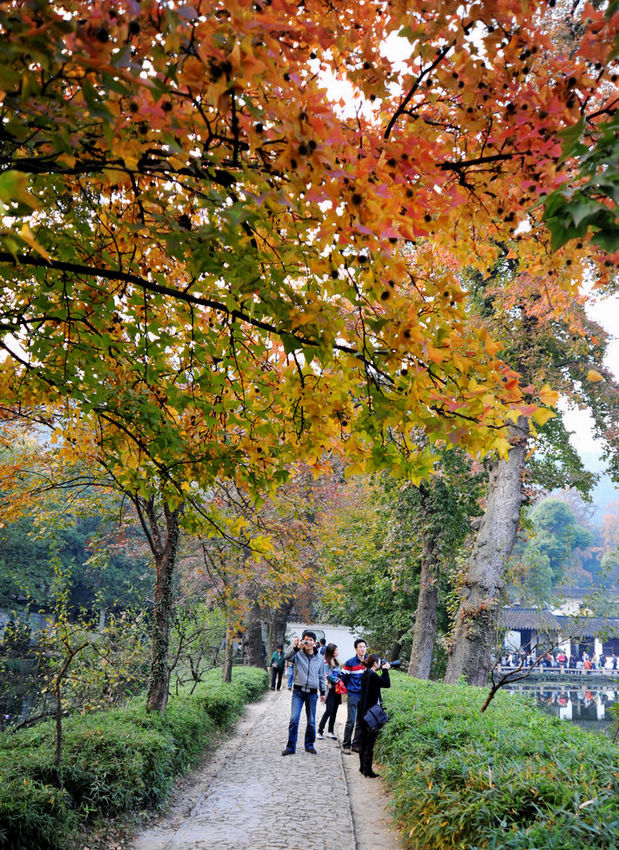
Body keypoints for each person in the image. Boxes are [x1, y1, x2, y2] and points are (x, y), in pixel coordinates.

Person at [281, 630, 326, 755]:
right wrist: (296, 647)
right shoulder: (298, 654)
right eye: (306, 639)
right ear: (303, 641)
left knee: (311, 721)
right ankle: (290, 747)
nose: (309, 642)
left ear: (315, 642)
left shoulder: (319, 658)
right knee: (294, 719)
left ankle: (309, 745)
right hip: (298, 691)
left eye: (311, 640)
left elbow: (321, 676)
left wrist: (323, 692)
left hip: (312, 693)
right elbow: (286, 656)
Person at [358, 654, 390, 778]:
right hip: (371, 713)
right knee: (370, 743)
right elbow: (386, 683)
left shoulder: (366, 673)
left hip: (363, 712)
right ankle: (368, 770)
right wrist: (386, 670)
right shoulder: (373, 675)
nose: (381, 664)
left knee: (363, 741)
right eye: (380, 662)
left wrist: (383, 671)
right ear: (375, 664)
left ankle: (362, 767)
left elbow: (380, 682)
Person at [340, 638, 367, 754]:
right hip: (353, 694)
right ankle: (346, 745)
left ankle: (356, 744)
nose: (362, 649)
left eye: (364, 647)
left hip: (365, 695)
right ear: (356, 649)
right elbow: (343, 677)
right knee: (350, 720)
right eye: (360, 647)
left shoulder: (369, 662)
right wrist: (349, 689)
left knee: (360, 721)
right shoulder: (350, 663)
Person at [317, 643, 342, 740]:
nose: (337, 652)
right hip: (330, 688)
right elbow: (327, 674)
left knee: (334, 711)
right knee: (329, 710)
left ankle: (330, 731)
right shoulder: (326, 662)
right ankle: (320, 731)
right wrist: (338, 680)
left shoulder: (336, 661)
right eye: (336, 650)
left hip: (337, 689)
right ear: (331, 651)